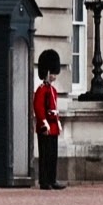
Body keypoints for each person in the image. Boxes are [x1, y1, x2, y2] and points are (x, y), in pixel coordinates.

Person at [34, 48, 66, 191]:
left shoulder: (52, 91)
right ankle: (44, 180)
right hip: (45, 127)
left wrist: (57, 122)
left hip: (53, 127)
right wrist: (45, 124)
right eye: (52, 73)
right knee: (45, 154)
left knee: (53, 155)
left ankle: (52, 179)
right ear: (47, 72)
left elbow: (54, 107)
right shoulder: (41, 90)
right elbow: (39, 108)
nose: (54, 76)